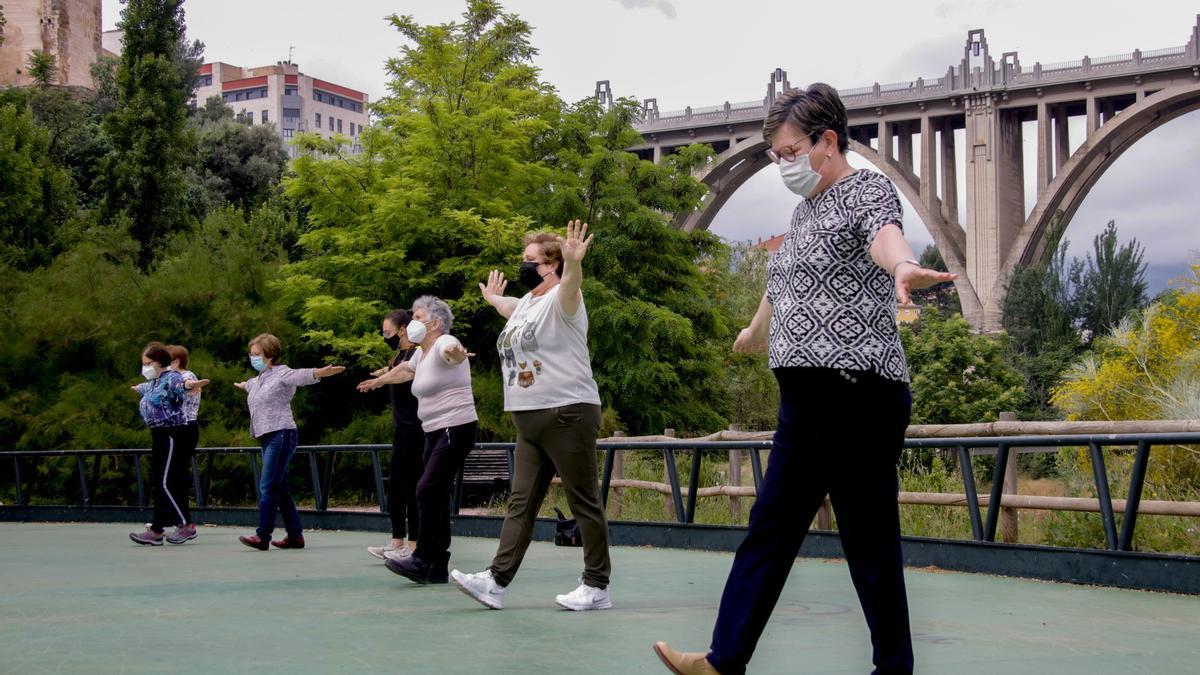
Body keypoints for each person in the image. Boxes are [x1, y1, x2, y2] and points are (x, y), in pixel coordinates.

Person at [652, 84, 956, 675]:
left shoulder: (865, 188)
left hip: (855, 391)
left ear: (827, 141)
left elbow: (884, 235)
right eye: (774, 153)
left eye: (789, 150)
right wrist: (754, 330)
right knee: (779, 527)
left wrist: (902, 266)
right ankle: (726, 659)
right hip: (807, 394)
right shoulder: (805, 208)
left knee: (860, 537)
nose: (781, 162)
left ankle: (739, 660)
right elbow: (785, 281)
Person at [451, 220, 612, 611]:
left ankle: (597, 585)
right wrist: (493, 300)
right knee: (520, 502)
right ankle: (495, 581)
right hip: (530, 420)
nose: (522, 266)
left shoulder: (564, 299)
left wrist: (574, 263)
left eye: (529, 261)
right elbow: (510, 307)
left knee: (583, 501)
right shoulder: (526, 304)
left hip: (567, 413)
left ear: (550, 266)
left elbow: (571, 284)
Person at [380, 296, 478, 584]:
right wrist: (378, 381)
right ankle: (437, 565)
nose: (411, 324)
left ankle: (423, 557)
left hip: (455, 427)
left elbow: (453, 351)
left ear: (434, 324)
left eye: (418, 318)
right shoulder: (420, 354)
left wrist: (459, 353)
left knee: (425, 489)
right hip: (433, 431)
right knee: (435, 493)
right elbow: (404, 371)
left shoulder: (445, 342)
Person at [234, 333, 345, 551]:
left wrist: (319, 373)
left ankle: (262, 536)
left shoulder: (282, 373)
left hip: (281, 434)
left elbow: (300, 376)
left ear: (269, 355)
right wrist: (243, 385)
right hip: (266, 436)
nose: (252, 357)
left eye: (256, 354)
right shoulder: (258, 380)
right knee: (280, 487)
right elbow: (251, 386)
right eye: (251, 354)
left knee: (267, 486)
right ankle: (295, 536)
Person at [356, 309, 424, 560]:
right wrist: (381, 373)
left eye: (388, 332)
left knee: (413, 486)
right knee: (396, 485)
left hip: (416, 428)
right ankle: (397, 541)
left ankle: (415, 544)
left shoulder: (418, 353)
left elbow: (406, 373)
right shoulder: (400, 354)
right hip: (401, 428)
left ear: (403, 329)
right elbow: (395, 368)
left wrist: (381, 380)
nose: (385, 335)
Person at [128, 342, 207, 545]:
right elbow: (145, 389)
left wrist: (189, 386)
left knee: (166, 480)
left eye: (148, 363)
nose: (144, 368)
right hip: (159, 434)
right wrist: (138, 388)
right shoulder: (155, 381)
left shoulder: (172, 377)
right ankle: (156, 529)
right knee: (160, 480)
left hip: (173, 433)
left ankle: (185, 526)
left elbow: (181, 386)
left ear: (160, 362)